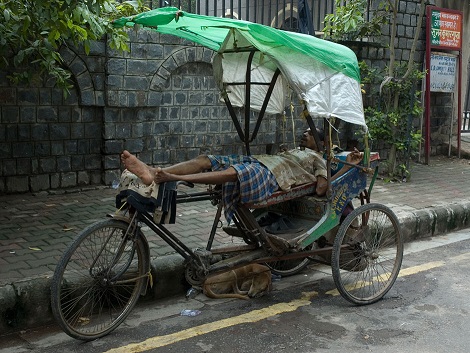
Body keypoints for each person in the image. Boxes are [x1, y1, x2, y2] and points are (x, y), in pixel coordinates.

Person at [120, 129, 363, 222]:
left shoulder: (318, 158)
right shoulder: (294, 150)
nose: (304, 134)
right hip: (259, 162)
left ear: (319, 142)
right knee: (208, 160)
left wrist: (346, 167)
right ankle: (154, 172)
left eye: (309, 134)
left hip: (272, 176)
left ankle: (170, 178)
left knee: (233, 173)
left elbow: (322, 189)